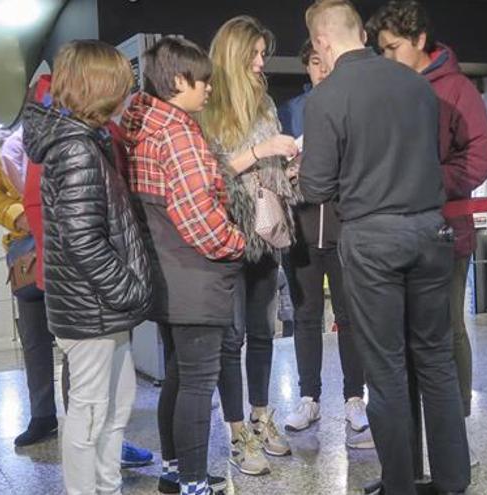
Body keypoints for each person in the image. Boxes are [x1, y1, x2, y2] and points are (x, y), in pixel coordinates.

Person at [301, 1, 470, 494]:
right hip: (430, 232)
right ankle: (453, 481)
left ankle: (399, 483)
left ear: (322, 43)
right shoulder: (418, 85)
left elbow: (315, 186)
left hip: (372, 240)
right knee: (436, 360)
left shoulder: (328, 96)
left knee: (387, 368)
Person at [367, 0, 487, 466]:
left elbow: (481, 158)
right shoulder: (388, 88)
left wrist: (428, 180)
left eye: (393, 47)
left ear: (420, 40)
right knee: (406, 341)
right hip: (396, 236)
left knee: (444, 334)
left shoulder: (458, 90)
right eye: (380, 49)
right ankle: (414, 444)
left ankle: (455, 435)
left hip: (445, 235)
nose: (386, 57)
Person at [22, 39, 152, 495]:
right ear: (99, 86)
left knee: (115, 406)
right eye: (121, 84)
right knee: (91, 410)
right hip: (91, 308)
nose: (128, 93)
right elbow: (82, 239)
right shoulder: (75, 147)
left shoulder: (84, 140)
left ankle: (107, 485)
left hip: (99, 307)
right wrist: (128, 289)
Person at [123, 36, 245, 495]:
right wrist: (239, 242)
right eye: (204, 80)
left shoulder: (144, 125)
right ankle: (194, 481)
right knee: (197, 383)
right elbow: (200, 218)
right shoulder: (177, 133)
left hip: (167, 274)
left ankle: (176, 470)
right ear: (179, 80)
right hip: (194, 274)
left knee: (176, 377)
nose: (210, 88)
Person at [199, 15, 300, 477]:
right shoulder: (208, 106)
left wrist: (287, 168)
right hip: (227, 234)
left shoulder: (264, 104)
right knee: (231, 337)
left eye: (263, 54)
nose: (261, 63)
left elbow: (267, 168)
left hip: (266, 232)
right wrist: (260, 153)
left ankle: (261, 417)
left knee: (264, 332)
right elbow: (209, 176)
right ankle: (236, 431)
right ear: (232, 56)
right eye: (254, 54)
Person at [277, 39, 372, 449]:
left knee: (349, 316)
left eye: (325, 62)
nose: (321, 70)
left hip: (344, 227)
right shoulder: (292, 111)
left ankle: (355, 397)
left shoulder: (355, 106)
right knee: (306, 315)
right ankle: (308, 397)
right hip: (299, 228)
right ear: (307, 67)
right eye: (314, 63)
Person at [0, 127, 58, 447]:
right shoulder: (13, 148)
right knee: (35, 343)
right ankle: (42, 416)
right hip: (28, 256)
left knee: (76, 341)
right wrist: (17, 213)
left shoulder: (64, 137)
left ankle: (83, 418)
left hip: (63, 247)